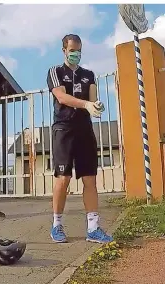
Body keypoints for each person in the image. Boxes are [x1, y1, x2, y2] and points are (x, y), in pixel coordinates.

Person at [46, 34, 113, 244]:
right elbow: (62, 97)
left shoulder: (89, 74)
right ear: (64, 50)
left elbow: (93, 99)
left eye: (79, 50)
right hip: (64, 129)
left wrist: (96, 106)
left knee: (89, 179)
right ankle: (56, 224)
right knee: (63, 178)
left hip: (85, 129)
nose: (76, 54)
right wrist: (85, 105)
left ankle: (93, 228)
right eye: (72, 50)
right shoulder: (55, 72)